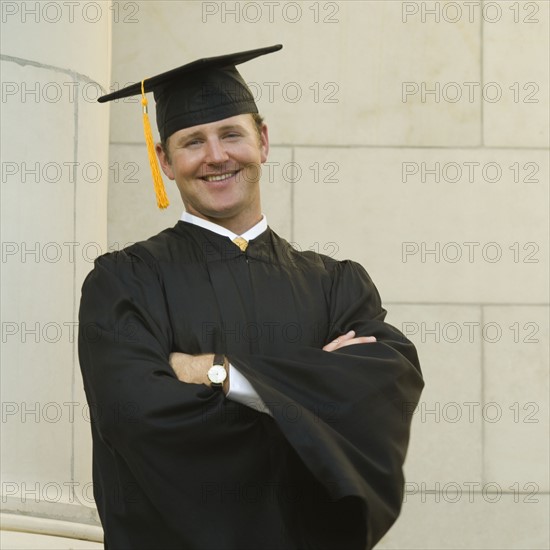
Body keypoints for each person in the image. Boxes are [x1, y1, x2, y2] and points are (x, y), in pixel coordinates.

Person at [78, 44, 424, 550]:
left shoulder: (335, 285)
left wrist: (218, 372)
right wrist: (311, 396)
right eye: (192, 141)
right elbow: (135, 415)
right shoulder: (125, 282)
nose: (216, 156)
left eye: (231, 134)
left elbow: (381, 395)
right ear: (165, 162)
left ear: (262, 141)